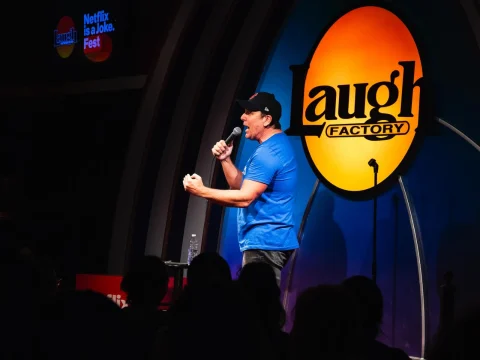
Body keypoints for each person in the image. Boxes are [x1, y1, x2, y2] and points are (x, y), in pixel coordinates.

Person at [183, 92, 298, 284]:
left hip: (265, 245)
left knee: (258, 309)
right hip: (267, 242)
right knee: (261, 306)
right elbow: (242, 186)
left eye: (249, 112)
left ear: (267, 119)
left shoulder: (269, 153)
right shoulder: (273, 146)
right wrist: (225, 159)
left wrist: (201, 191)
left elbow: (245, 198)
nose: (242, 117)